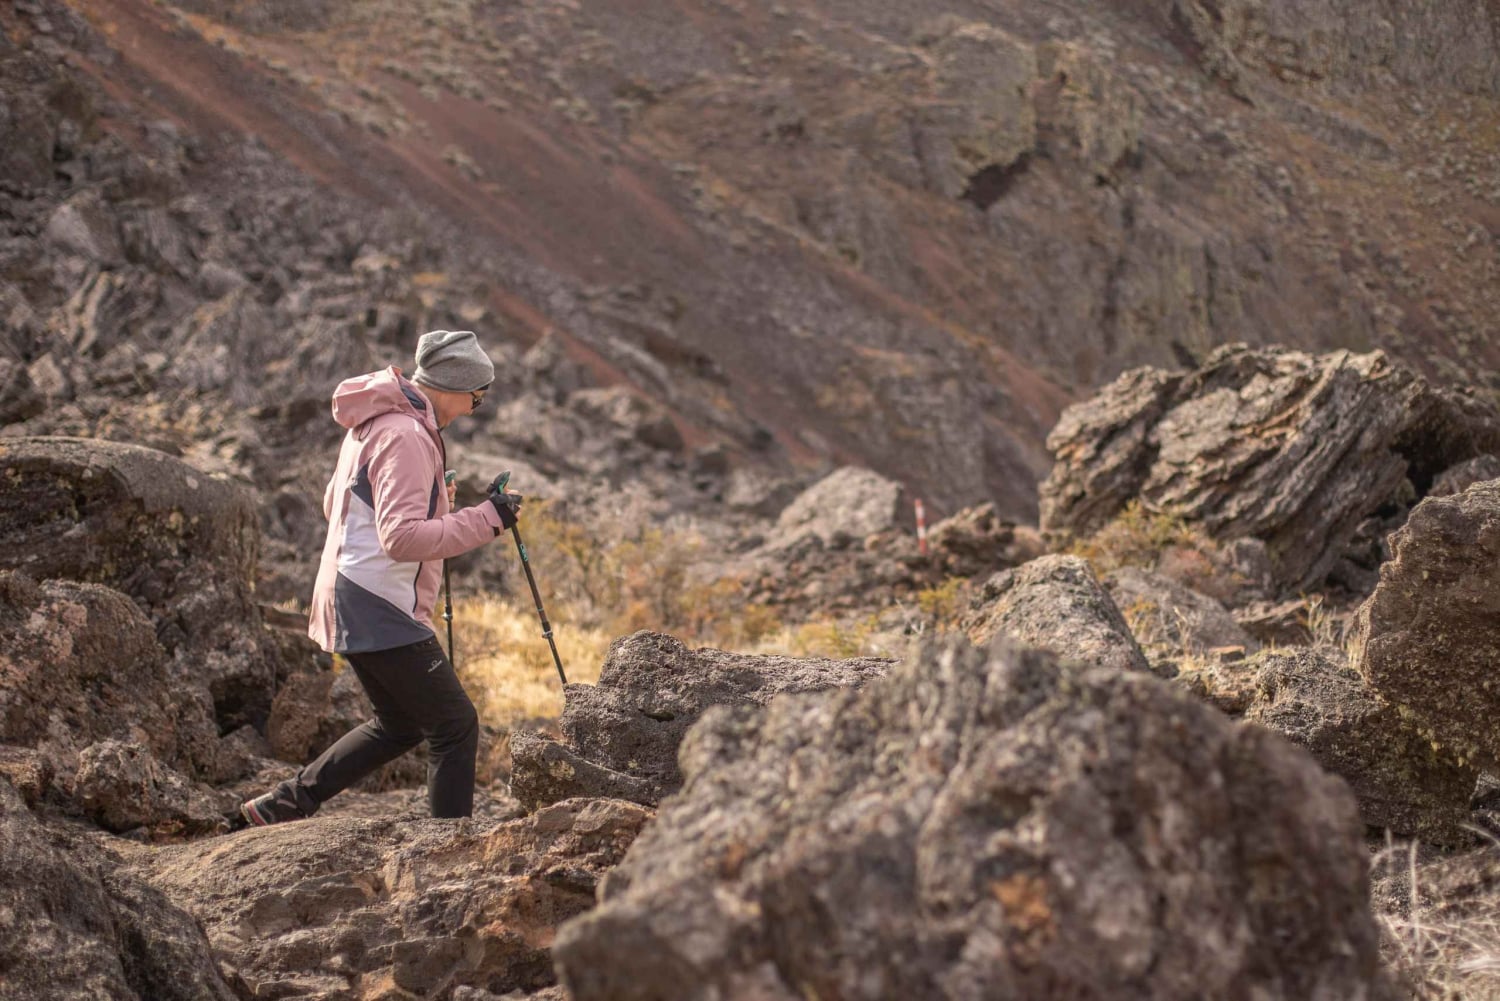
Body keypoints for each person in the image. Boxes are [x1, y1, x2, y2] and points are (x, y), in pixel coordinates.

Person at [239, 329, 523, 826]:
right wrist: (488, 518)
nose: (474, 408)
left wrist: (434, 501)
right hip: (378, 602)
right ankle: (448, 847)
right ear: (454, 386)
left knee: (401, 724)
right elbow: (402, 539)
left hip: (350, 592)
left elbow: (335, 504)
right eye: (477, 396)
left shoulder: (374, 422)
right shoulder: (407, 435)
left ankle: (283, 804)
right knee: (455, 726)